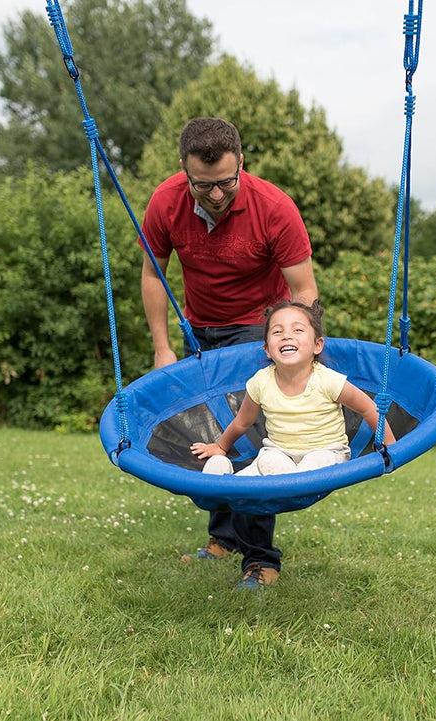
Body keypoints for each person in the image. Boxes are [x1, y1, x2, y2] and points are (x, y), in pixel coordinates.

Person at [140, 117, 318, 589]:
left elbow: (304, 289)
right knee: (210, 434)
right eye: (203, 185)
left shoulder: (274, 208)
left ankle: (261, 559)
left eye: (226, 182)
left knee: (251, 436)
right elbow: (154, 275)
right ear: (184, 170)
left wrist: (293, 351)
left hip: (259, 333)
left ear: (241, 162)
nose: (216, 195)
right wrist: (162, 348)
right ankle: (223, 538)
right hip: (199, 331)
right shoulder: (165, 201)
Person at [191, 300, 396, 589]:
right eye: (277, 332)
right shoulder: (261, 382)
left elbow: (368, 408)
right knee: (252, 476)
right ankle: (219, 483)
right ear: (267, 348)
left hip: (326, 453)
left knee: (310, 467)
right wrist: (221, 448)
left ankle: (283, 484)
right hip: (278, 452)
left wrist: (389, 445)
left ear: (317, 345)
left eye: (297, 330)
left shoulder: (328, 380)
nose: (286, 335)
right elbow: (241, 422)